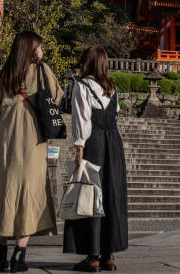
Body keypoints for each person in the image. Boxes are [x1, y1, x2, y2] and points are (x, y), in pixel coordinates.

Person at [0, 31, 63, 272]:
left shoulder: (2, 76)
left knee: (4, 194)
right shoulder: (42, 71)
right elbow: (57, 98)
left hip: (4, 144)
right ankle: (19, 255)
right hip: (32, 141)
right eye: (39, 47)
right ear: (30, 49)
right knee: (28, 194)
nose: (42, 51)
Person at [64, 46, 128, 272]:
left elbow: (82, 119)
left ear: (87, 63)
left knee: (91, 195)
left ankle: (92, 255)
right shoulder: (112, 87)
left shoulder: (82, 87)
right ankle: (108, 254)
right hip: (114, 144)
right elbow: (115, 113)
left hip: (94, 142)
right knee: (111, 194)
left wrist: (79, 147)